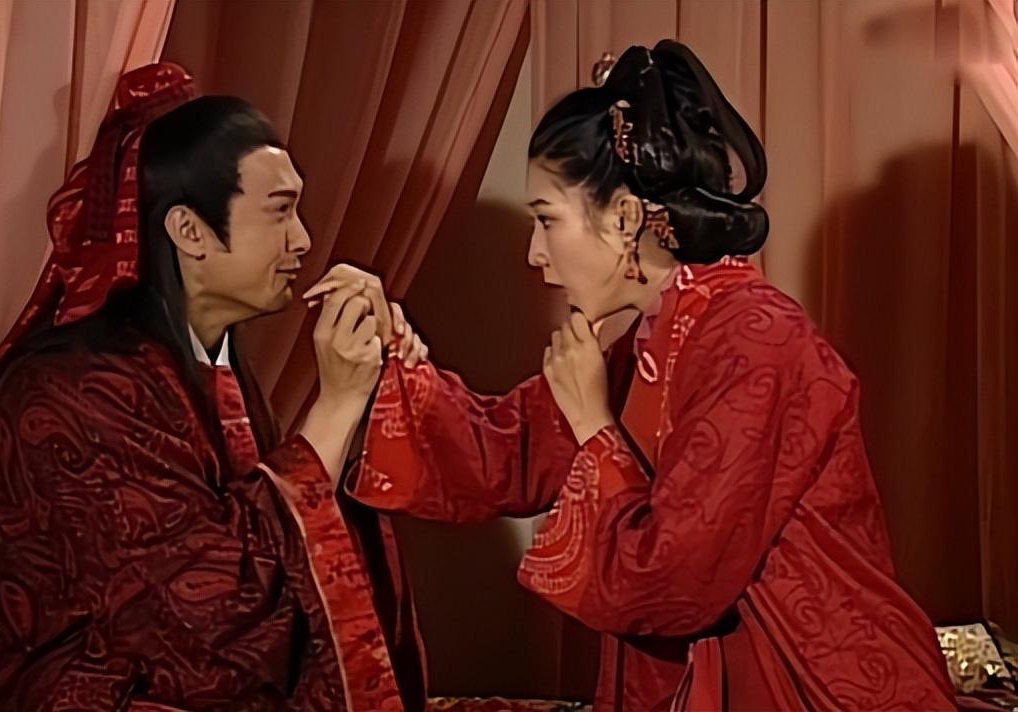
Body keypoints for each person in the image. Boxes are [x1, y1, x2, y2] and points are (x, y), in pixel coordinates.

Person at [316, 42, 956, 710]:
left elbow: (671, 580)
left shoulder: (758, 341)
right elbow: (507, 451)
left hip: (807, 679)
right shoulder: (652, 338)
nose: (535, 253)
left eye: (547, 219)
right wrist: (388, 351)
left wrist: (594, 426)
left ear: (624, 218)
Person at [0, 63, 422, 711]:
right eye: (279, 212)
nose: (303, 240)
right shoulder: (71, 393)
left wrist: (376, 387)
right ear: (189, 231)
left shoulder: (210, 368)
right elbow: (214, 623)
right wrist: (336, 403)